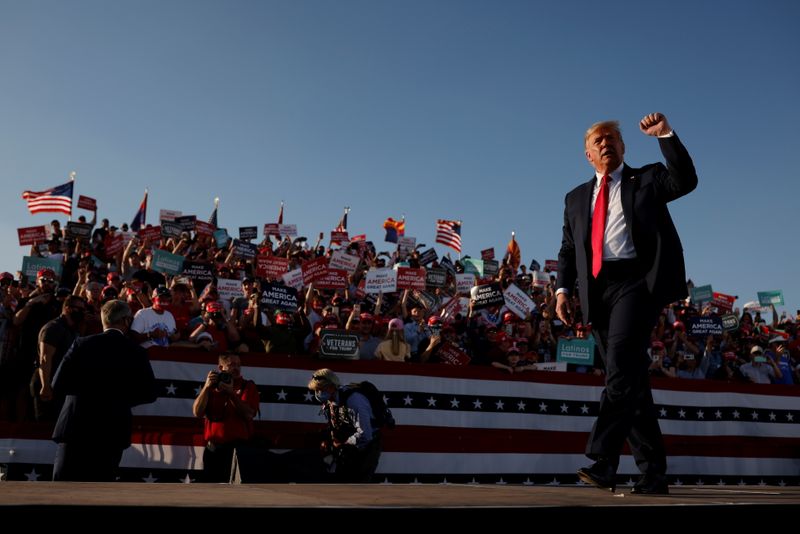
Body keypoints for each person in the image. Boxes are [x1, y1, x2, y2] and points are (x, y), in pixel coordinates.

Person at [555, 112, 698, 495]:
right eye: (597, 141)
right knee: (629, 380)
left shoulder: (648, 178)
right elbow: (569, 250)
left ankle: (602, 460)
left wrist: (665, 135)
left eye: (611, 139)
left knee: (620, 365)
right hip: (596, 292)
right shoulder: (575, 198)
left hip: (637, 283)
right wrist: (562, 291)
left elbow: (686, 180)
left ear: (623, 146)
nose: (605, 143)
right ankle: (653, 473)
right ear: (588, 154)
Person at [51, 300, 157, 481]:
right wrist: (118, 400)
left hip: (76, 427)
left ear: (103, 320)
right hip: (112, 430)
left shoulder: (81, 344)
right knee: (100, 493)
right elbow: (149, 393)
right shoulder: (136, 352)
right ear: (126, 321)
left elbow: (58, 384)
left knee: (62, 492)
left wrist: (87, 393)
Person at [192, 352, 260, 482]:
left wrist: (231, 394)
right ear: (220, 368)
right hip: (213, 449)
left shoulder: (247, 386)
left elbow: (249, 413)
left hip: (237, 450)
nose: (236, 368)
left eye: (239, 365)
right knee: (211, 488)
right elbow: (197, 412)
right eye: (232, 365)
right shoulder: (211, 388)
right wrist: (206, 387)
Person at [307, 368, 381, 482]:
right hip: (348, 448)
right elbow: (336, 425)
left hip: (366, 449)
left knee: (359, 486)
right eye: (316, 390)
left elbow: (366, 435)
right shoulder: (330, 401)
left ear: (331, 387)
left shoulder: (354, 401)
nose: (318, 393)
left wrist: (343, 443)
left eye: (320, 389)